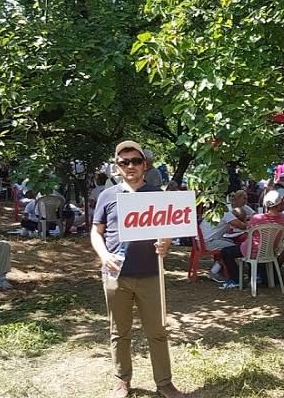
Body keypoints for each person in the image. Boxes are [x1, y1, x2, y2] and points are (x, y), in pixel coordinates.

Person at [90, 140, 184, 398]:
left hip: (151, 273)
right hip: (115, 274)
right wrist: (104, 255)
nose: (130, 166)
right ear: (117, 167)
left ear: (145, 165)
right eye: (124, 162)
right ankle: (122, 381)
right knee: (119, 332)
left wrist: (165, 243)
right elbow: (96, 232)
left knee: (157, 331)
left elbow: (167, 232)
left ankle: (164, 382)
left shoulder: (157, 195)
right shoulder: (107, 196)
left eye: (135, 161)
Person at [219, 190, 284, 289]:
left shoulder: (257, 218)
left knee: (225, 252)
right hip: (269, 251)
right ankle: (255, 275)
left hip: (252, 250)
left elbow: (249, 229)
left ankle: (236, 280)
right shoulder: (283, 219)